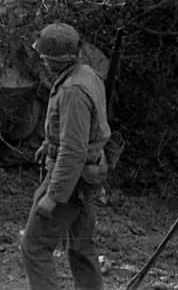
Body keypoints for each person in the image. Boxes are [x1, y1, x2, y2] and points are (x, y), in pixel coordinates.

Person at [21, 22, 112, 290]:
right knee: (82, 249)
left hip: (71, 182)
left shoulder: (72, 91)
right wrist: (49, 145)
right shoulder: (87, 74)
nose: (43, 62)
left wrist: (53, 196)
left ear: (55, 59)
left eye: (45, 57)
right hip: (88, 178)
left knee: (34, 247)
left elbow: (73, 151)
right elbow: (84, 133)